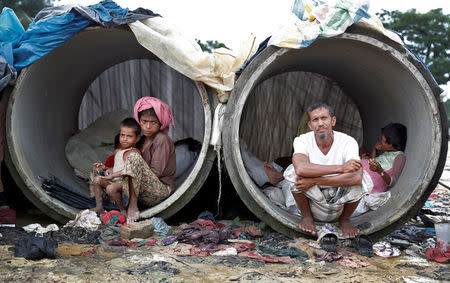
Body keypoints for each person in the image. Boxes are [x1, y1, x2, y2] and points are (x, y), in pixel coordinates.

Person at [291, 102, 368, 238]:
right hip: (313, 198)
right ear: (310, 125)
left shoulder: (347, 142)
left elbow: (356, 177)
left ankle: (344, 220)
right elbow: (301, 168)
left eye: (324, 118)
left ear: (333, 121)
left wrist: (315, 180)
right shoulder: (302, 140)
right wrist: (341, 168)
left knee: (363, 181)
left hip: (339, 195)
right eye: (315, 120)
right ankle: (306, 216)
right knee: (292, 174)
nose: (320, 123)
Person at [111, 97, 176, 223]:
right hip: (141, 186)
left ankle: (133, 205)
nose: (148, 126)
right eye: (144, 121)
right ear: (139, 121)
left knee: (134, 156)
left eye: (153, 122)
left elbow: (155, 173)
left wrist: (122, 179)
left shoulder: (161, 140)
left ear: (160, 123)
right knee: (102, 176)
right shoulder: (141, 139)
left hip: (159, 190)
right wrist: (112, 171)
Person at [90, 118, 141, 214]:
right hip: (114, 179)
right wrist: (107, 168)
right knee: (97, 179)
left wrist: (112, 175)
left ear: (137, 138)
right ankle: (99, 206)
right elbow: (117, 166)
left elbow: (129, 170)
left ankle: (122, 209)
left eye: (129, 136)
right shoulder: (118, 151)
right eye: (122, 135)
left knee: (110, 189)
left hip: (125, 183)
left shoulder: (134, 153)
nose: (124, 139)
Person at [361, 123, 407, 193]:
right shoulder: (389, 151)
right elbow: (372, 164)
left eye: (383, 141)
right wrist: (374, 150)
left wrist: (380, 171)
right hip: (366, 175)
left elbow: (391, 183)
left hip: (372, 182)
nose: (381, 143)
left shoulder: (400, 157)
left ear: (390, 144)